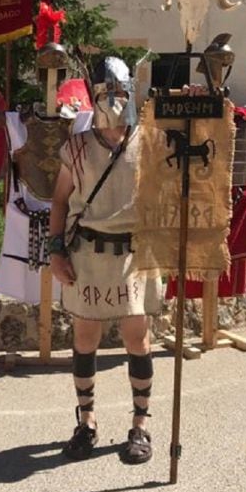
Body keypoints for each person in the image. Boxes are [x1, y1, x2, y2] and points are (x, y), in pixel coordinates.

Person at [48, 56, 164, 464]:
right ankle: (87, 421)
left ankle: (141, 425)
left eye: (119, 91)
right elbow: (60, 202)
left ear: (131, 92)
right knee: (85, 339)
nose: (113, 100)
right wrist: (56, 251)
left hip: (134, 255)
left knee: (137, 337)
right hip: (88, 255)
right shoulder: (76, 148)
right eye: (105, 92)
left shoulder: (150, 143)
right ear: (93, 97)